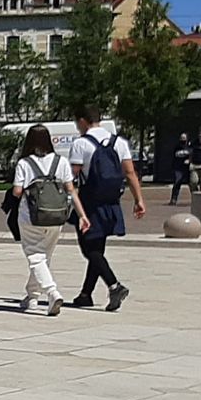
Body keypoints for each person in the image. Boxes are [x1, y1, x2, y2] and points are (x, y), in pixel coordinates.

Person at [68, 110, 143, 309]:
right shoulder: (119, 142)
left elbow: (72, 176)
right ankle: (85, 294)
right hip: (111, 202)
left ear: (83, 121)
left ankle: (114, 285)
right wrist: (139, 200)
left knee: (89, 249)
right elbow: (130, 173)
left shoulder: (81, 144)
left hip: (88, 203)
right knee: (98, 248)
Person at [11, 122, 86, 315]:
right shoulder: (60, 162)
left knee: (35, 256)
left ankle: (52, 292)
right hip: (56, 216)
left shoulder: (24, 163)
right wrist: (82, 215)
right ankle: (32, 295)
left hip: (31, 216)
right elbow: (71, 189)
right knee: (44, 256)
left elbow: (17, 191)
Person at [169, 132, 195, 205]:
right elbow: (174, 157)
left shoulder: (190, 147)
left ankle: (196, 199)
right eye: (181, 138)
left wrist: (189, 161)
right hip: (178, 168)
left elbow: (192, 156)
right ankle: (173, 199)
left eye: (184, 138)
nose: (182, 139)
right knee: (177, 183)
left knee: (192, 183)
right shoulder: (177, 147)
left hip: (188, 168)